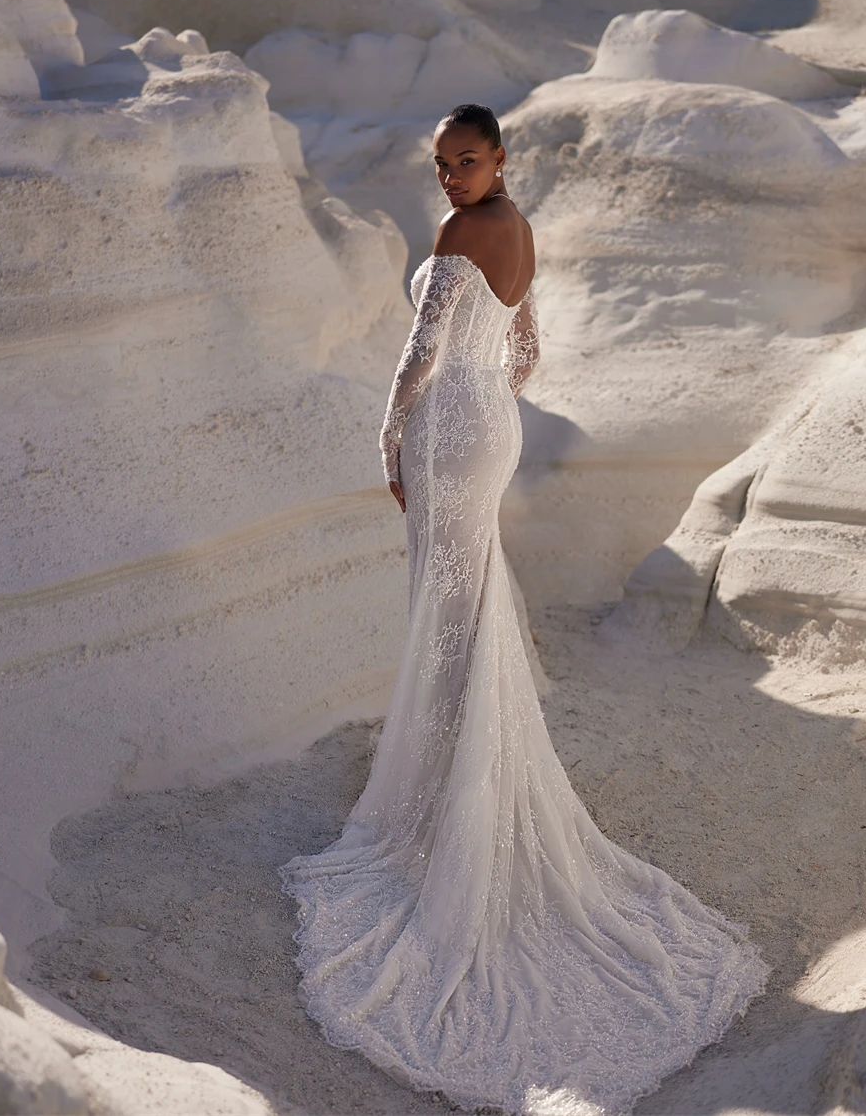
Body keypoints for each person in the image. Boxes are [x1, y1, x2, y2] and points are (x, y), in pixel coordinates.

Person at [277, 103, 768, 1116]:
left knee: (445, 612)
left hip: (448, 429)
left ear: (499, 158)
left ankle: (449, 811)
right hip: (486, 424)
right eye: (442, 165)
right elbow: (528, 343)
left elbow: (417, 357)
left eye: (467, 161)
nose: (451, 177)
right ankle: (456, 786)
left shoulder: (461, 236)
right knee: (465, 609)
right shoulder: (521, 225)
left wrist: (389, 438)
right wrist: (484, 393)